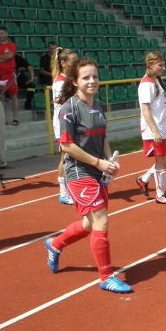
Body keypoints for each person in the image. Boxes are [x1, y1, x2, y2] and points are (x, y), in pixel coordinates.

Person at [44, 57, 130, 293]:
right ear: (75, 81)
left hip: (97, 169)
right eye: (86, 77)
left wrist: (109, 161)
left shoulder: (98, 105)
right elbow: (67, 146)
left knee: (88, 224)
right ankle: (106, 277)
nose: (92, 81)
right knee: (101, 220)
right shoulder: (69, 108)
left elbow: (102, 136)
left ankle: (55, 244)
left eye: (95, 76)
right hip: (78, 171)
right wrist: (98, 162)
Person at [134, 51, 166, 205]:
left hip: (164, 128)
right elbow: (145, 109)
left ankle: (143, 179)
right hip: (154, 130)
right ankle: (160, 194)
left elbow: (163, 106)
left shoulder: (157, 81)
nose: (164, 68)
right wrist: (155, 130)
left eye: (164, 65)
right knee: (162, 161)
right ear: (150, 64)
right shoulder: (147, 84)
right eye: (160, 65)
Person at [51, 47, 78, 204]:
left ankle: (72, 188)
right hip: (63, 122)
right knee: (65, 156)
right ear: (63, 63)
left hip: (72, 120)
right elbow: (65, 102)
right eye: (73, 61)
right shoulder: (60, 82)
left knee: (73, 156)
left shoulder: (70, 79)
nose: (76, 64)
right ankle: (63, 192)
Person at [0, 26, 20, 125]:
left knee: (13, 96)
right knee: (2, 97)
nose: (0, 36)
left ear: (6, 34)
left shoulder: (11, 45)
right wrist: (4, 58)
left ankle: (15, 117)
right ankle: (3, 119)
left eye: (2, 33)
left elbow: (10, 56)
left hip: (10, 73)